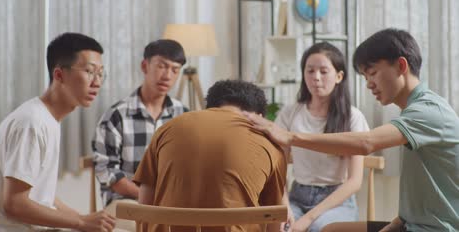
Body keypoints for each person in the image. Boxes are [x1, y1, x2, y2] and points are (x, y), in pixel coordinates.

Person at [244, 28, 459, 232]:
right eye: (365, 77)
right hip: (408, 224)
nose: (369, 84)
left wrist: (290, 137)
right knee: (331, 230)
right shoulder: (413, 110)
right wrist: (396, 223)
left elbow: (366, 143)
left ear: (402, 66)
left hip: (437, 229)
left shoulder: (428, 111)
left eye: (372, 73)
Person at [0, 33, 116, 232]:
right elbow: (14, 204)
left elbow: (41, 195)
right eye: (89, 72)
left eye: (101, 73)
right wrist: (81, 223)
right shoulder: (31, 123)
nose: (97, 82)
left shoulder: (47, 119)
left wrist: (83, 218)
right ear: (59, 75)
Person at [133, 79, 287, 232]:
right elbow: (274, 219)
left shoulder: (166, 129)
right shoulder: (270, 144)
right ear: (259, 117)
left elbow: (145, 205)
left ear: (210, 107)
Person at [92, 39, 188, 230]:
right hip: (127, 203)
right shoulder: (116, 115)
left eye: (175, 70)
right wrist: (152, 199)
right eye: (162, 66)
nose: (167, 75)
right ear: (145, 66)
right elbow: (110, 174)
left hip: (172, 205)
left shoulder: (184, 116)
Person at [277, 42, 368, 232]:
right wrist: (284, 206)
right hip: (297, 196)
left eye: (324, 71)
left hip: (337, 201)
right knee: (281, 228)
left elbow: (355, 181)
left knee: (318, 229)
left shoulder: (353, 117)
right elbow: (278, 171)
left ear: (339, 76)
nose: (316, 77)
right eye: (310, 71)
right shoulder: (290, 113)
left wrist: (308, 219)